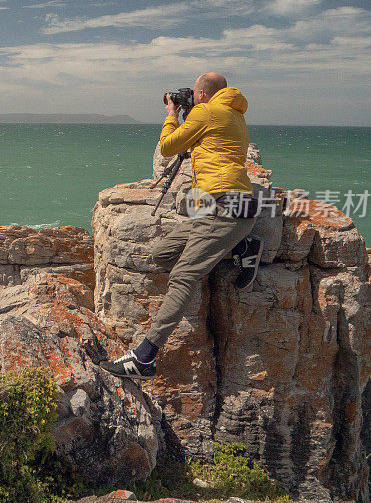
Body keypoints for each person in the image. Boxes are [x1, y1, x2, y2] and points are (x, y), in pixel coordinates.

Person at [100, 72, 263, 380]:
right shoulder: (234, 114)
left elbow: (168, 146)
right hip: (233, 209)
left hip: (222, 210)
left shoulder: (205, 111)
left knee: (182, 276)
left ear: (201, 94)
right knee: (161, 254)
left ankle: (144, 358)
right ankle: (243, 244)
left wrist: (172, 116)